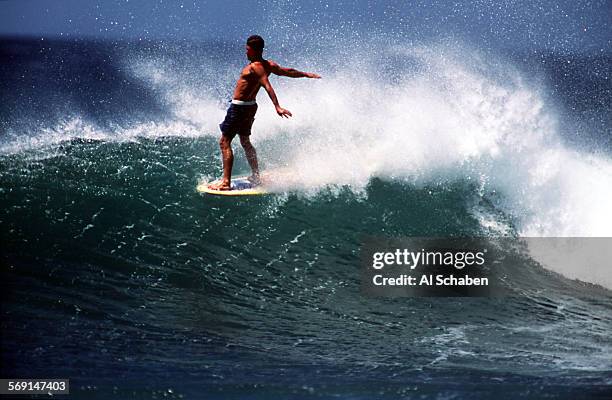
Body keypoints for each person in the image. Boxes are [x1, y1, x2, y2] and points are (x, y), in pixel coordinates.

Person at [209, 35, 321, 190]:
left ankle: (226, 183)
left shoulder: (256, 67)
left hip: (239, 108)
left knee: (224, 142)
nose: (246, 52)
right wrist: (306, 74)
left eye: (248, 49)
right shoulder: (268, 65)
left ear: (255, 50)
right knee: (245, 141)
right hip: (250, 107)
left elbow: (267, 85)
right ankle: (255, 176)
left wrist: (277, 106)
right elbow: (286, 71)